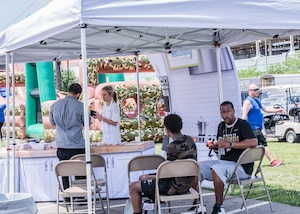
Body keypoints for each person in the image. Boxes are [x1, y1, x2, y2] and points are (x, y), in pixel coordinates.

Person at [128, 114, 197, 214]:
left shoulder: (171, 147)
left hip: (173, 187)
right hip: (187, 185)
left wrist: (149, 177)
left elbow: (167, 175)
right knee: (148, 181)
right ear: (180, 126)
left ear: (167, 130)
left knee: (133, 187)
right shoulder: (190, 140)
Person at [200, 101, 257, 214]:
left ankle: (218, 207)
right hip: (224, 162)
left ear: (234, 111)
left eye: (228, 111)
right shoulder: (221, 126)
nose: (226, 114)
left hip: (241, 167)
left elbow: (253, 142)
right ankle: (198, 205)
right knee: (197, 167)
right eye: (223, 112)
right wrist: (215, 146)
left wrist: (231, 144)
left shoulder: (243, 124)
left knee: (217, 169)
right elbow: (222, 148)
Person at [49, 83, 90, 190]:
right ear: (78, 94)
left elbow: (52, 123)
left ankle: (67, 195)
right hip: (77, 144)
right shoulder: (81, 106)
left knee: (64, 172)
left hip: (62, 144)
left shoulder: (54, 105)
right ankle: (80, 196)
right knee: (80, 171)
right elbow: (87, 122)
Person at [241, 84, 284, 167]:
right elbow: (244, 116)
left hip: (258, 127)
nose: (258, 91)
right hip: (253, 127)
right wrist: (241, 128)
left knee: (254, 145)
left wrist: (277, 110)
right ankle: (272, 161)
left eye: (258, 89)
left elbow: (266, 109)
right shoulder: (248, 102)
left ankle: (244, 161)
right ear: (250, 91)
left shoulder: (257, 100)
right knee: (262, 143)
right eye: (256, 90)